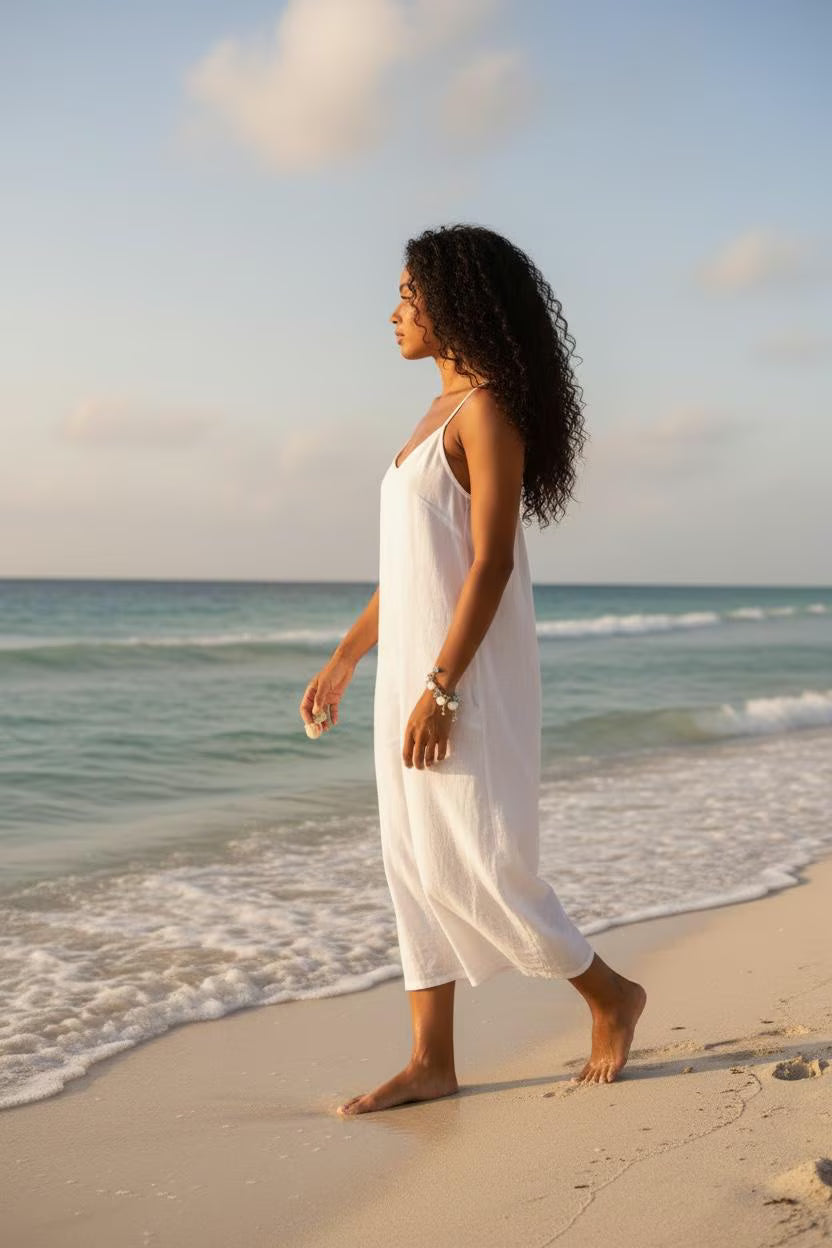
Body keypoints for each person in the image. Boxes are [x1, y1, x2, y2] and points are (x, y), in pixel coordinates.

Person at [299, 224, 646, 1116]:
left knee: (485, 861)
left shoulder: (487, 411)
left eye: (409, 297)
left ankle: (611, 995)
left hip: (463, 679)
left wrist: (444, 687)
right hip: (409, 679)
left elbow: (489, 561)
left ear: (453, 306)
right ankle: (431, 1060)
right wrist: (346, 658)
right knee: (411, 861)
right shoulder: (427, 419)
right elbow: (410, 571)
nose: (393, 313)